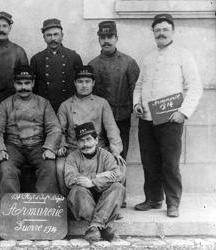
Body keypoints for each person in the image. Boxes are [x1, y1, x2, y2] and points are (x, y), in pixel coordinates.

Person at [133, 14, 203, 217]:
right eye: (157, 30)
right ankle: (153, 199)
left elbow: (195, 87)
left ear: (173, 31)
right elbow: (139, 85)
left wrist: (183, 112)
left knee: (170, 162)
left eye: (165, 29)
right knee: (149, 161)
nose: (161, 33)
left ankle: (173, 203)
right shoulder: (148, 57)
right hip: (147, 118)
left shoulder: (183, 55)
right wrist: (137, 103)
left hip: (170, 119)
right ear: (153, 33)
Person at [0, 66, 61, 202]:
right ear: (14, 83)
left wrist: (50, 148)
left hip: (38, 145)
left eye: (27, 83)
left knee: (49, 166)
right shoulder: (5, 104)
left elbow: (54, 128)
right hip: (13, 146)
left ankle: (46, 207)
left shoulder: (43, 103)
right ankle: (10, 208)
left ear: (33, 83)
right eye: (20, 83)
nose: (24, 87)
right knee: (6, 168)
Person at [57, 65, 124, 195]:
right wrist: (61, 145)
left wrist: (116, 150)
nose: (84, 85)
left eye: (87, 81)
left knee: (120, 166)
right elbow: (59, 130)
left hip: (99, 149)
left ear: (93, 83)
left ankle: (110, 199)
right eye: (80, 81)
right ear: (74, 83)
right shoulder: (65, 105)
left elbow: (112, 129)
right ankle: (69, 201)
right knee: (60, 166)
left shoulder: (102, 103)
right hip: (74, 149)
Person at [65, 122, 125, 242]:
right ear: (77, 143)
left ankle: (94, 226)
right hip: (84, 201)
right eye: (81, 141)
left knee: (118, 187)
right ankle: (103, 227)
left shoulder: (106, 155)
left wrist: (92, 181)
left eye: (88, 139)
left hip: (103, 198)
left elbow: (117, 174)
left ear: (96, 140)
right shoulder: (72, 157)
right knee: (77, 190)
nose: (85, 144)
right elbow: (70, 179)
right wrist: (101, 176)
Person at [89, 20, 140, 160]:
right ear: (98, 40)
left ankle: (120, 183)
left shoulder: (128, 63)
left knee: (119, 158)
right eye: (103, 38)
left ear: (116, 38)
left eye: (110, 37)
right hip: (98, 122)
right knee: (99, 159)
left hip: (121, 119)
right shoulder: (92, 65)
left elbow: (136, 90)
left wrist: (129, 109)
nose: (106, 41)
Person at [31, 18, 83, 112]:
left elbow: (80, 84)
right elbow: (34, 89)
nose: (53, 39)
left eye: (56, 34)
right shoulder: (36, 59)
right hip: (45, 107)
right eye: (49, 35)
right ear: (44, 37)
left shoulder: (74, 57)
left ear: (62, 36)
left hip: (69, 107)